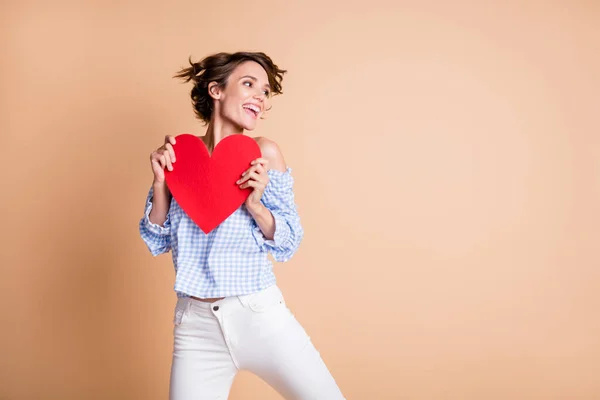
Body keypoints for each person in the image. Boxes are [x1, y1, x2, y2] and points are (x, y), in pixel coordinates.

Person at [139, 52, 345, 400]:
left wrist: (255, 204)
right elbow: (157, 240)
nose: (259, 98)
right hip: (195, 324)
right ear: (216, 90)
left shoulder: (265, 154)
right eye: (249, 84)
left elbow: (289, 240)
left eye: (265, 92)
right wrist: (161, 183)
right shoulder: (181, 156)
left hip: (258, 315)